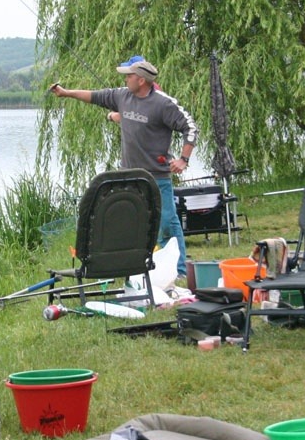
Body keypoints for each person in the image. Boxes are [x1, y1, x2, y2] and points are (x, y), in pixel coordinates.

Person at [50, 55, 198, 279]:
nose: (125, 78)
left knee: (167, 224)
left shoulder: (163, 103)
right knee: (135, 224)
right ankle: (140, 269)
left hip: (156, 176)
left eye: (129, 75)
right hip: (129, 177)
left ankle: (177, 271)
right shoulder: (122, 96)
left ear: (141, 80)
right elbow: (94, 96)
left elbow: (190, 127)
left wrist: (183, 159)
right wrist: (67, 92)